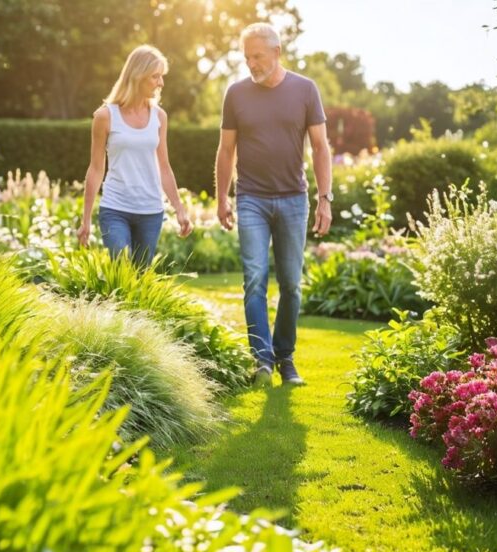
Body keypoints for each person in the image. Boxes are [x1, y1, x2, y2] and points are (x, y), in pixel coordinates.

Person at [215, 23, 333, 387]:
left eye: (257, 56)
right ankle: (261, 360)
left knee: (291, 284)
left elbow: (320, 147)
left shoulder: (305, 89)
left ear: (277, 52)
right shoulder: (236, 94)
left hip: (293, 200)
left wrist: (324, 198)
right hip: (250, 198)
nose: (251, 63)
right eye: (247, 57)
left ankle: (285, 358)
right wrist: (222, 196)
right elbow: (226, 149)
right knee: (254, 280)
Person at [77, 45, 192, 266]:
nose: (161, 83)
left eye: (161, 76)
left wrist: (180, 209)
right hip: (115, 207)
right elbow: (96, 168)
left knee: (140, 277)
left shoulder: (160, 116)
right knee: (121, 266)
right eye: (155, 77)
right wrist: (86, 219)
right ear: (138, 76)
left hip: (150, 210)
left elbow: (164, 166)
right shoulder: (105, 116)